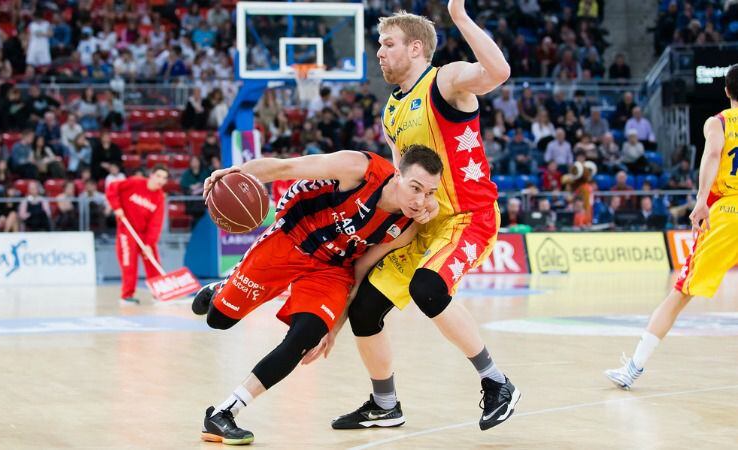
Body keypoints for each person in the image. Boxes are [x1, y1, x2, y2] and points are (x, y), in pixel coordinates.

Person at [329, 2, 520, 433]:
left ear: (416, 48)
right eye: (379, 44)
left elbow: (499, 72)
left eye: (387, 43)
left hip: (469, 217)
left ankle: (497, 381)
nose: (379, 52)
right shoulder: (390, 112)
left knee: (428, 287)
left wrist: (460, 17)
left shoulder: (446, 81)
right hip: (424, 225)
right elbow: (401, 180)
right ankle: (385, 404)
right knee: (364, 309)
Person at [193, 147, 443, 444]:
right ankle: (221, 289)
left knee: (306, 336)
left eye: (429, 193)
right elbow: (282, 169)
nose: (420, 201)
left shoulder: (407, 227)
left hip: (333, 269)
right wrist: (233, 173)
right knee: (218, 320)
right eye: (415, 188)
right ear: (398, 175)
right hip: (293, 236)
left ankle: (223, 413)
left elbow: (361, 268)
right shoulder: (358, 167)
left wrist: (333, 328)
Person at [605, 64, 738, 389]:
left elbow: (711, 156)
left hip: (728, 211)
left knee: (679, 295)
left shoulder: (719, 122)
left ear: (726, 91)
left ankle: (633, 369)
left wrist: (701, 201)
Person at [106, 165, 169, 303]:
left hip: (144, 234)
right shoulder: (135, 182)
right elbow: (112, 187)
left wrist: (149, 244)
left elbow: (155, 224)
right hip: (126, 230)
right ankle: (127, 296)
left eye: (164, 178)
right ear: (151, 175)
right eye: (158, 176)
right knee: (129, 263)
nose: (160, 180)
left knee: (152, 260)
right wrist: (116, 207)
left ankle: (158, 293)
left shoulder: (159, 197)